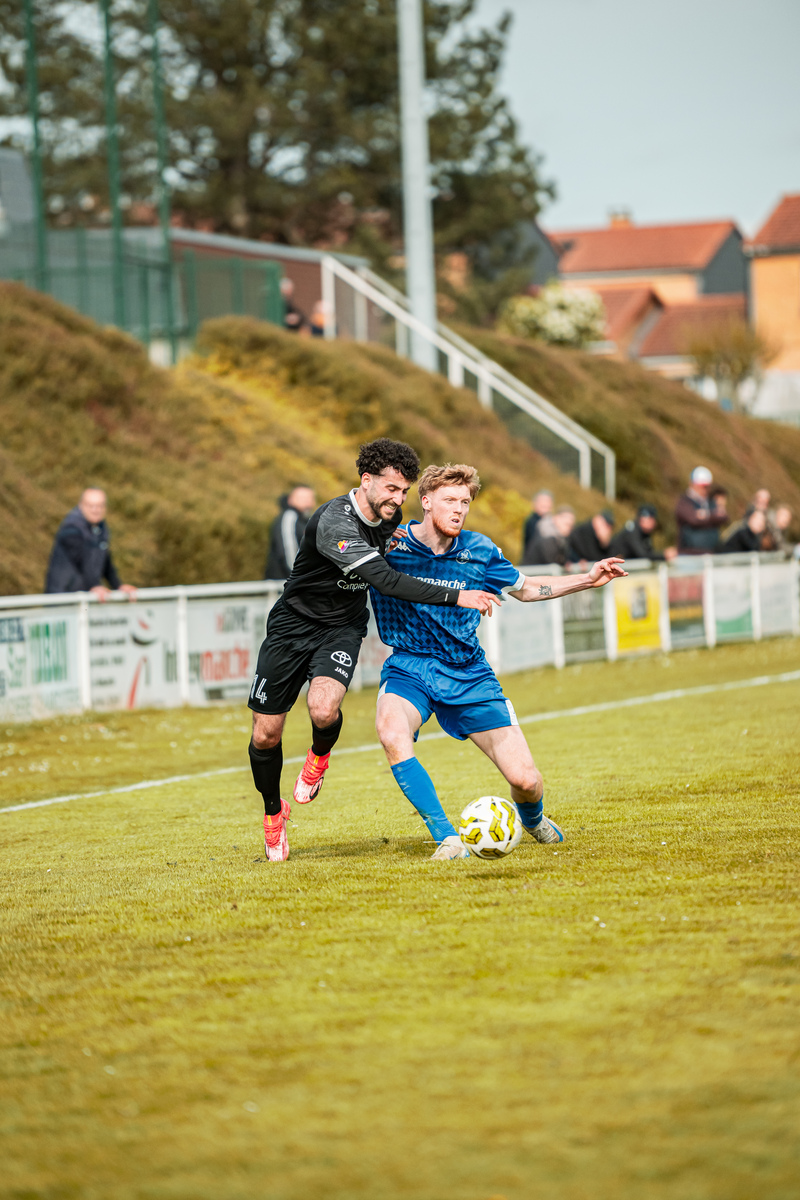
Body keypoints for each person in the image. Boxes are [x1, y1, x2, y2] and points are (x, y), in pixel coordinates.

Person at [247, 438, 501, 862]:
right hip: (292, 627)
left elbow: (404, 551)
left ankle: (319, 755)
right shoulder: (334, 523)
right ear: (366, 481)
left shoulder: (390, 516)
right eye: (391, 490)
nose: (398, 500)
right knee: (265, 733)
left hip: (342, 628)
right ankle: (274, 814)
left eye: (404, 491)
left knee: (324, 709)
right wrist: (459, 596)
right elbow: (385, 580)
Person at [371, 463, 627, 860]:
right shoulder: (390, 543)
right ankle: (448, 837)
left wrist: (587, 579)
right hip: (411, 666)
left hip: (468, 673)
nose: (459, 509)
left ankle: (533, 819)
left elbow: (525, 589)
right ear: (425, 501)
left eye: (465, 502)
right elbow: (345, 533)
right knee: (390, 731)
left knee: (526, 780)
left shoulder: (480, 551)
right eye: (449, 501)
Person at [44, 488, 137, 602]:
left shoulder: (101, 528)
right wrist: (95, 586)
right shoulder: (71, 529)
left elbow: (105, 562)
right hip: (63, 599)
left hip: (85, 599)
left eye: (100, 506)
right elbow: (84, 561)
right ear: (81, 505)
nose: (95, 510)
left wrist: (118, 586)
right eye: (90, 505)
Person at [264, 485, 317, 580]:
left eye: (310, 498)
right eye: (302, 498)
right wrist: (302, 576)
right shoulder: (289, 517)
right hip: (285, 584)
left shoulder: (306, 520)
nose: (308, 502)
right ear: (290, 500)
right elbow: (288, 550)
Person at [675, 467, 728, 554]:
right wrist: (712, 517)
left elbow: (723, 517)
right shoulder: (684, 502)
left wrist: (705, 515)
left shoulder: (711, 501)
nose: (704, 489)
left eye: (707, 486)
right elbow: (693, 519)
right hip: (689, 554)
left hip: (711, 553)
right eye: (702, 486)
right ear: (692, 484)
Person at [610, 505, 677, 562]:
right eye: (650, 519)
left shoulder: (645, 533)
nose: (653, 523)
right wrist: (663, 555)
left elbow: (649, 552)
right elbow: (642, 554)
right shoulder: (632, 531)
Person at [522, 490, 554, 559]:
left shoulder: (553, 522)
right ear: (535, 504)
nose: (545, 504)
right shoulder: (532, 522)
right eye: (542, 501)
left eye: (547, 501)